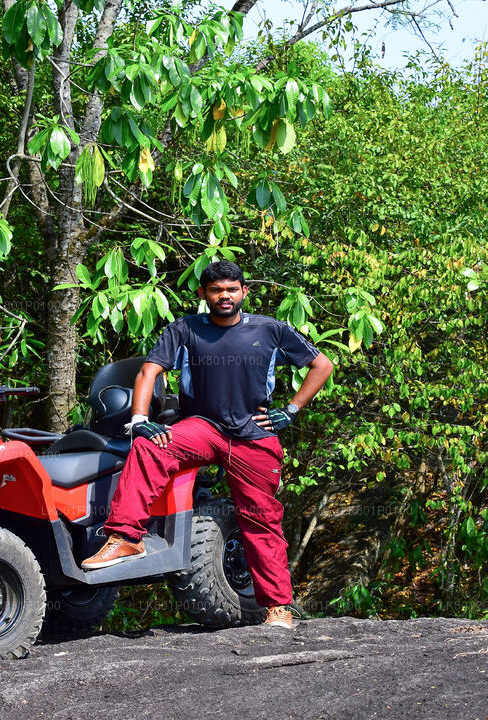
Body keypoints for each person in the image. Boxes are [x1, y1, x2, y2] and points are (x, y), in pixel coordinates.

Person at [80, 261, 334, 630]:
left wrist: (291, 411)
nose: (225, 296)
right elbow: (149, 370)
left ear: (244, 292)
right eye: (216, 290)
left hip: (253, 433)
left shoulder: (270, 329)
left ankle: (278, 608)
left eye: (232, 289)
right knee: (151, 446)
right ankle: (125, 538)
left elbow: (322, 365)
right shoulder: (185, 328)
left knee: (261, 519)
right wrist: (138, 420)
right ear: (203, 295)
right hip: (202, 426)